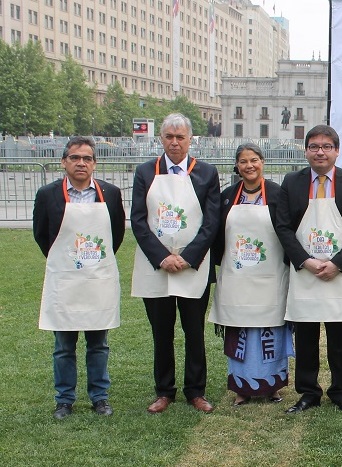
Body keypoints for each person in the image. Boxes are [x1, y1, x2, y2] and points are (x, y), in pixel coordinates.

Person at [275, 124, 342, 415]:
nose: (320, 151)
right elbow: (283, 227)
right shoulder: (292, 182)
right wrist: (305, 260)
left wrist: (338, 263)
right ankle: (308, 392)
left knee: (339, 335)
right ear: (306, 151)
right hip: (306, 271)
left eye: (326, 146)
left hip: (339, 271)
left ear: (337, 151)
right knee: (305, 335)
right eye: (314, 146)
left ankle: (340, 392)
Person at [131, 113, 221, 414]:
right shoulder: (145, 172)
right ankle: (164, 390)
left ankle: (196, 391)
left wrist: (187, 257)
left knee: (194, 332)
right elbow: (139, 220)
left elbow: (211, 222)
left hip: (192, 266)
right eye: (169, 136)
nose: (174, 142)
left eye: (180, 137)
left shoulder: (206, 173)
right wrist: (162, 257)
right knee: (162, 332)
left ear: (190, 140)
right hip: (156, 267)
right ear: (161, 139)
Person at [33, 136, 125, 419]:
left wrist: (93, 262)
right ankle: (64, 399)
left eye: (87, 158)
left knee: (99, 344)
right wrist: (67, 260)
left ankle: (100, 397)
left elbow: (116, 235)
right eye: (75, 158)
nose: (81, 163)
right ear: (64, 162)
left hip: (98, 280)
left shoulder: (110, 193)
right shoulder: (48, 194)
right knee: (64, 347)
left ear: (94, 163)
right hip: (66, 281)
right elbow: (42, 234)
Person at [208, 143, 294, 406]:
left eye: (254, 160)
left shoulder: (279, 195)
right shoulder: (227, 196)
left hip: (270, 277)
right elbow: (216, 235)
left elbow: (288, 232)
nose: (249, 166)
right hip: (237, 278)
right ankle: (242, 388)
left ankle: (272, 386)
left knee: (271, 331)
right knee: (240, 331)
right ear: (237, 166)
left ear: (262, 162)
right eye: (244, 161)